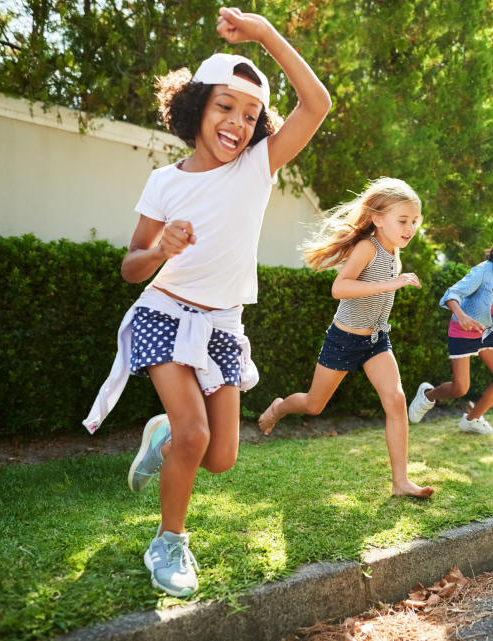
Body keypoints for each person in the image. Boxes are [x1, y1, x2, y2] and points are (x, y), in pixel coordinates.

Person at [82, 8, 330, 597]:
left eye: (250, 115)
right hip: (162, 313)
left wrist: (265, 33)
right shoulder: (165, 183)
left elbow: (316, 105)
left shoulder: (257, 167)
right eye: (225, 106)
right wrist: (161, 248)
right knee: (197, 437)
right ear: (195, 106)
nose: (238, 124)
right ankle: (168, 543)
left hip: (221, 325)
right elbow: (130, 267)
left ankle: (161, 436)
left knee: (219, 458)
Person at [257, 177, 435, 499]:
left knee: (395, 400)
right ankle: (279, 408)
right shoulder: (368, 247)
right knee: (314, 405)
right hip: (344, 340)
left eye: (414, 221)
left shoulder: (394, 249)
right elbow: (340, 288)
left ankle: (400, 482)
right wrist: (391, 285)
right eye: (403, 220)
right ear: (378, 219)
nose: (410, 228)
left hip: (376, 342)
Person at [407, 219, 493, 434]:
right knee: (460, 388)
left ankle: (472, 419)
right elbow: (452, 294)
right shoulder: (484, 270)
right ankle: (427, 395)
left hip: (486, 332)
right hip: (462, 331)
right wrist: (460, 316)